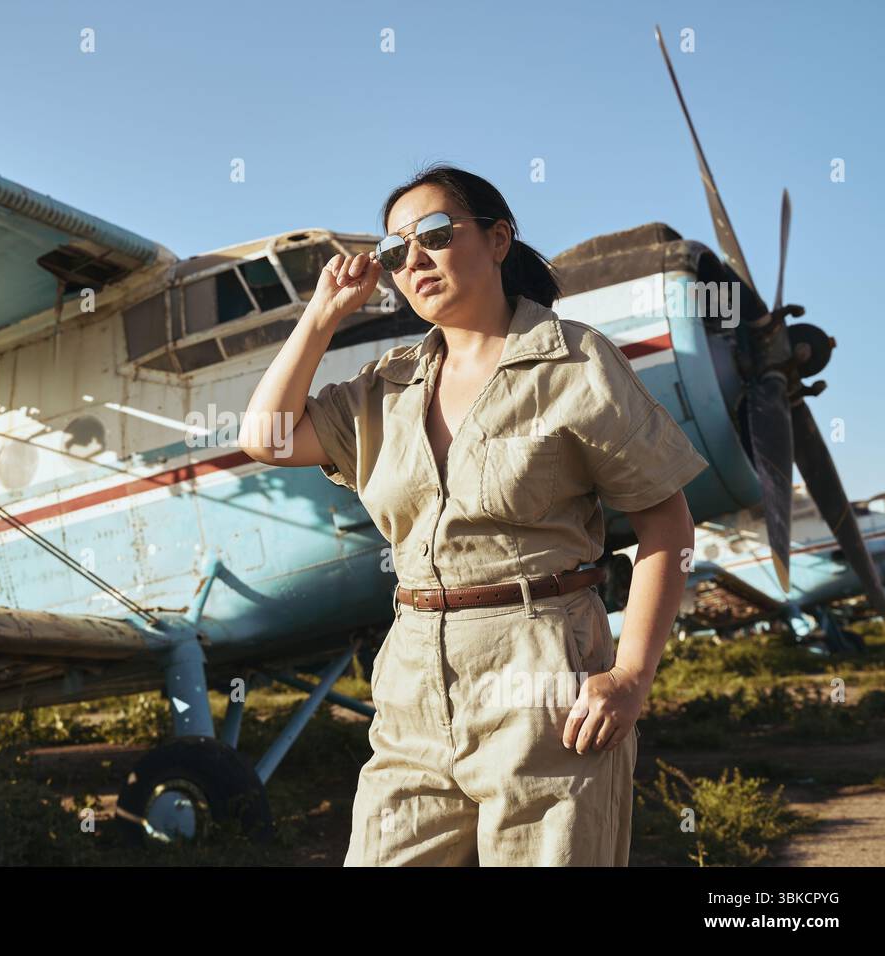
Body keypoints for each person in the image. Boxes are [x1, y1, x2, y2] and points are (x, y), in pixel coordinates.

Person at [238, 164, 707, 866]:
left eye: (433, 233)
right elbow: (266, 438)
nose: (413, 259)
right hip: (410, 686)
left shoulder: (575, 362)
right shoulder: (383, 390)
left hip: (548, 679)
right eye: (395, 251)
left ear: (497, 239)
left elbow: (667, 524)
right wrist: (323, 313)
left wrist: (631, 676)